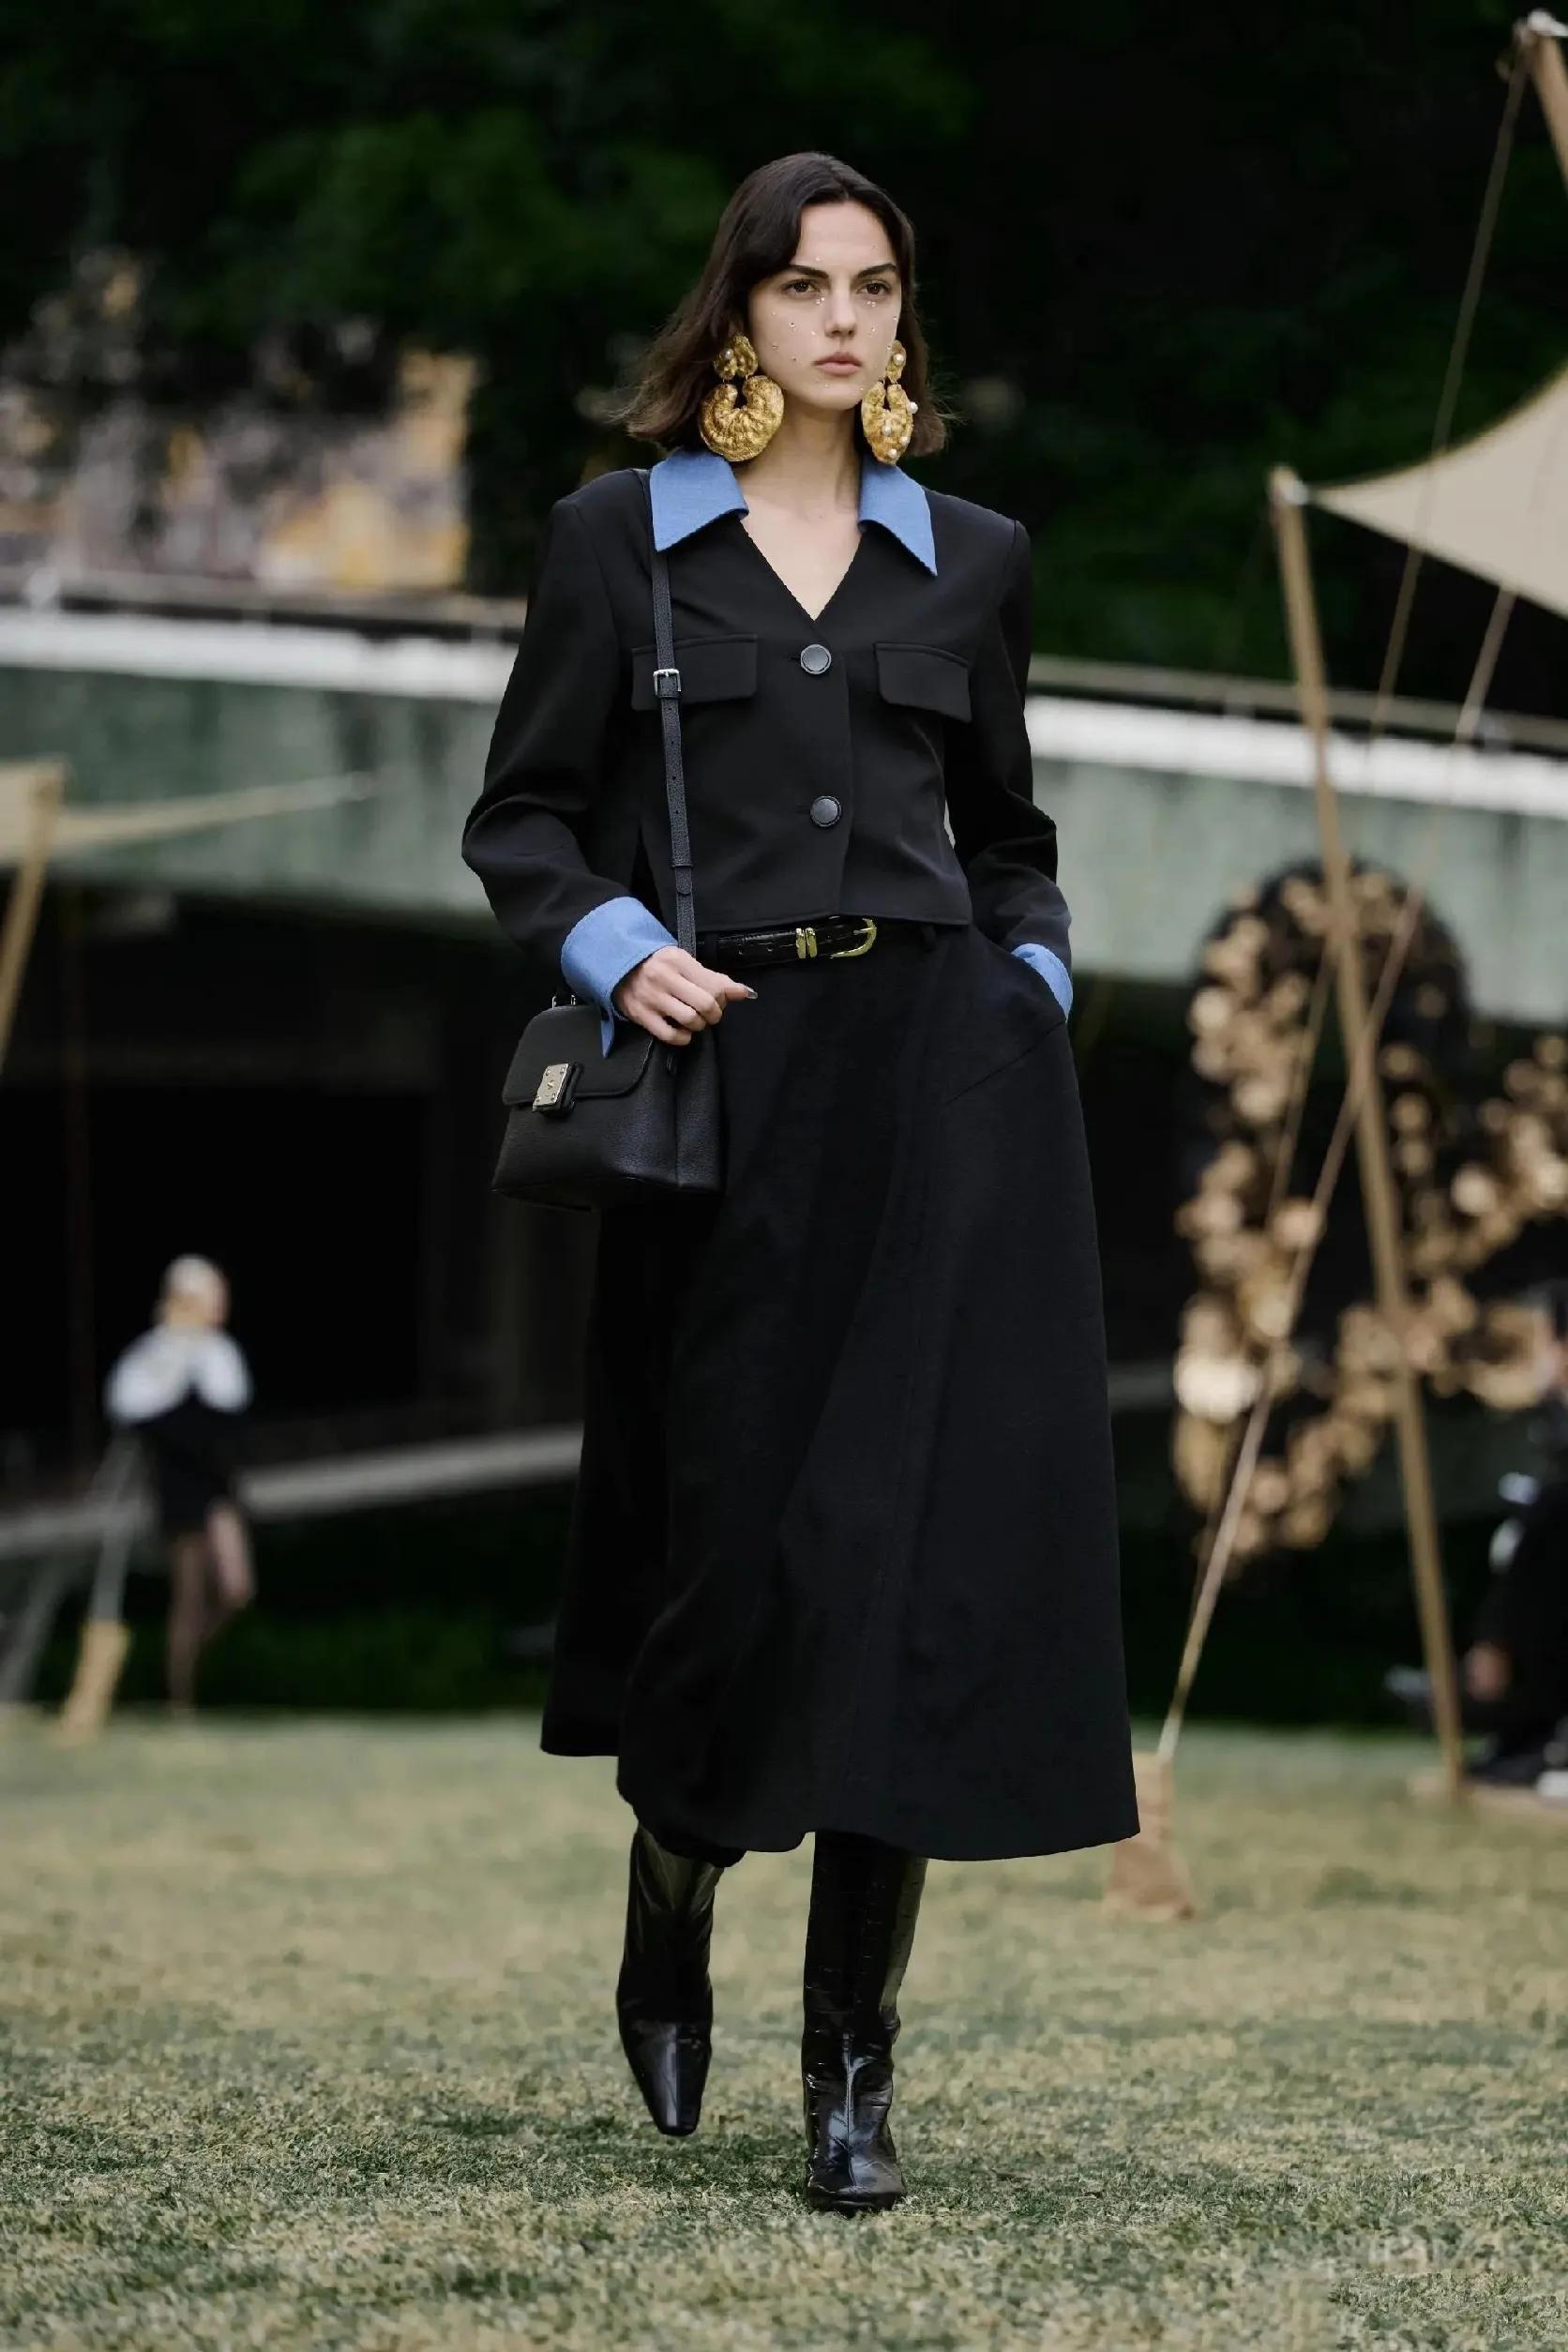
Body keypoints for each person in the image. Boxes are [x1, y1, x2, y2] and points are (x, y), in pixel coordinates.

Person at [463, 152, 1135, 2211]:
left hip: (942, 1093)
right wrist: (617, 950)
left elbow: (1005, 836)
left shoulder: (975, 558)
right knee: (731, 1574)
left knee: (898, 1570)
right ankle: (673, 1884)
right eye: (802, 285)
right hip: (723, 1096)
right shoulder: (619, 543)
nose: (842, 319)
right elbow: (522, 818)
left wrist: (1027, 983)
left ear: (900, 317)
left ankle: (852, 2067)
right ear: (740, 312)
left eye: (873, 287)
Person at [104, 1256, 255, 1712]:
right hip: (177, 1487)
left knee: (236, 1587)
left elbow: (229, 1415)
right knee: (188, 1595)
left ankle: (190, 1661)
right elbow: (132, 1408)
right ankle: (179, 1698)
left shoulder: (218, 1353)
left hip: (215, 1484)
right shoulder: (156, 1353)